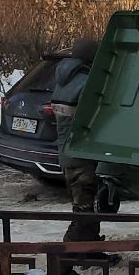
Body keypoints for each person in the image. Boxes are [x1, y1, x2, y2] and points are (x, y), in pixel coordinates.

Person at [50, 38, 102, 243]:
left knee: (89, 206)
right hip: (81, 155)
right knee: (83, 211)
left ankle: (91, 250)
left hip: (68, 152)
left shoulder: (64, 80)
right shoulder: (86, 82)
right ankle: (64, 261)